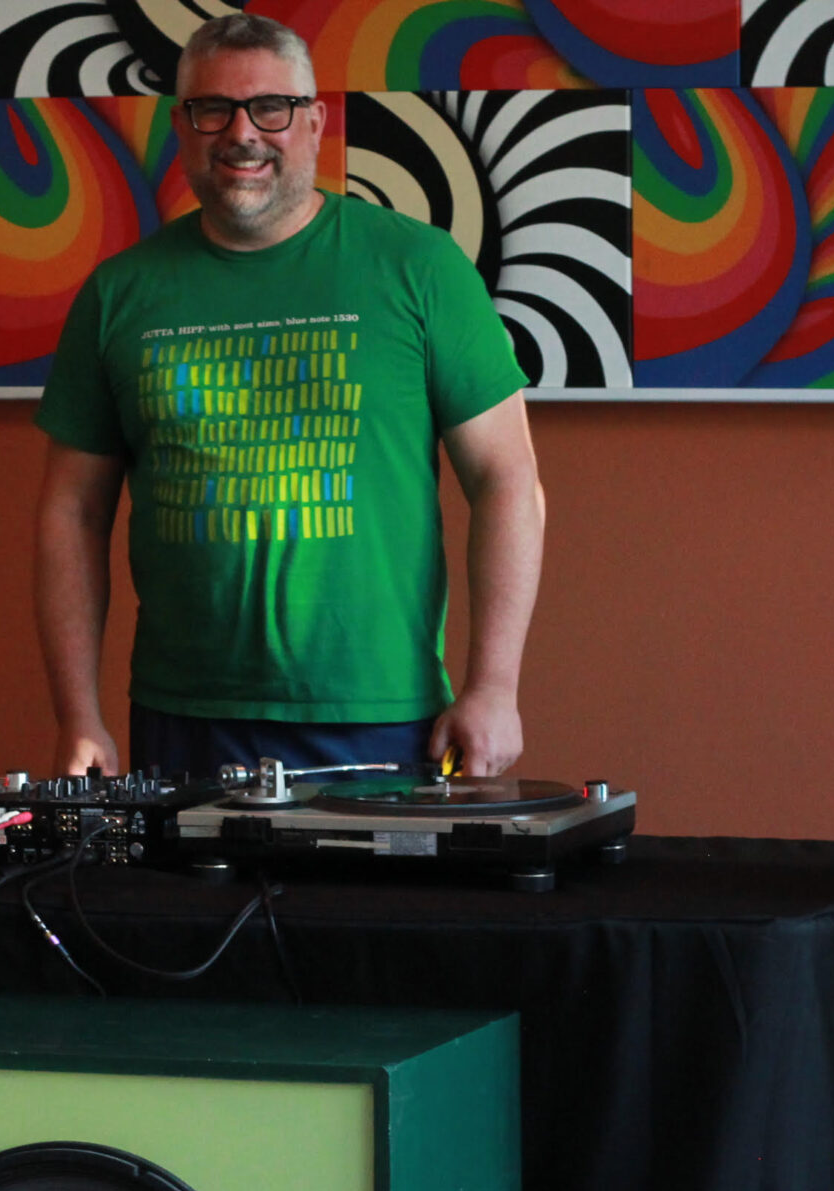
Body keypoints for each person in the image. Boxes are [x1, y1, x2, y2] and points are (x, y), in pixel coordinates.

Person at [30, 12, 545, 781]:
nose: (243, 132)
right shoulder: (119, 294)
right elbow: (71, 511)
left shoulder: (419, 269)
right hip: (183, 717)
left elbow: (509, 482)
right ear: (183, 126)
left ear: (313, 123)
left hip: (380, 718)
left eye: (271, 107)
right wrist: (79, 715)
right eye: (214, 109)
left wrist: (495, 688)